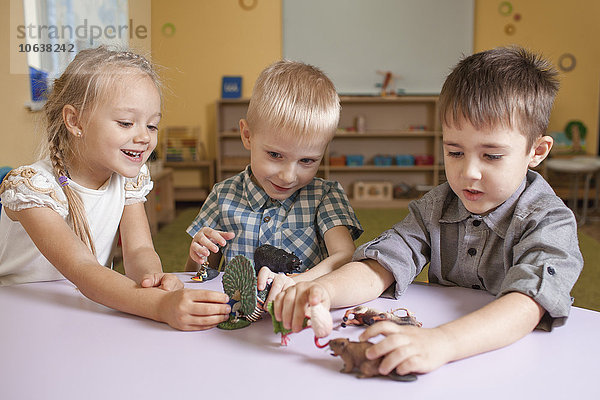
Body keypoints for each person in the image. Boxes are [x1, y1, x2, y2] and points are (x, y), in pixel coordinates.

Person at [271, 46, 584, 375]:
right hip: (443, 364)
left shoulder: (550, 221)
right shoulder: (439, 203)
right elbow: (382, 264)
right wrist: (324, 290)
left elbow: (527, 305)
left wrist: (442, 343)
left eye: (491, 156)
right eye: (455, 151)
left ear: (537, 151)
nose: (469, 173)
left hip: (516, 366)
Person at [0, 46, 230, 330]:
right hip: (22, 315)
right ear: (75, 121)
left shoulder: (127, 180)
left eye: (152, 125)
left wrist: (152, 280)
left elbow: (139, 251)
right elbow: (84, 271)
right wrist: (158, 306)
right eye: (126, 123)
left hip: (86, 308)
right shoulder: (32, 188)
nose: (144, 136)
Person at [186, 60, 362, 304]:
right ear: (247, 136)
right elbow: (198, 274)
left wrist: (298, 282)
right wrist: (198, 252)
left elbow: (344, 256)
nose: (288, 176)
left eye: (307, 160)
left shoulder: (325, 196)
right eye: (275, 155)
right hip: (237, 318)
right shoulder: (222, 195)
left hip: (299, 317)